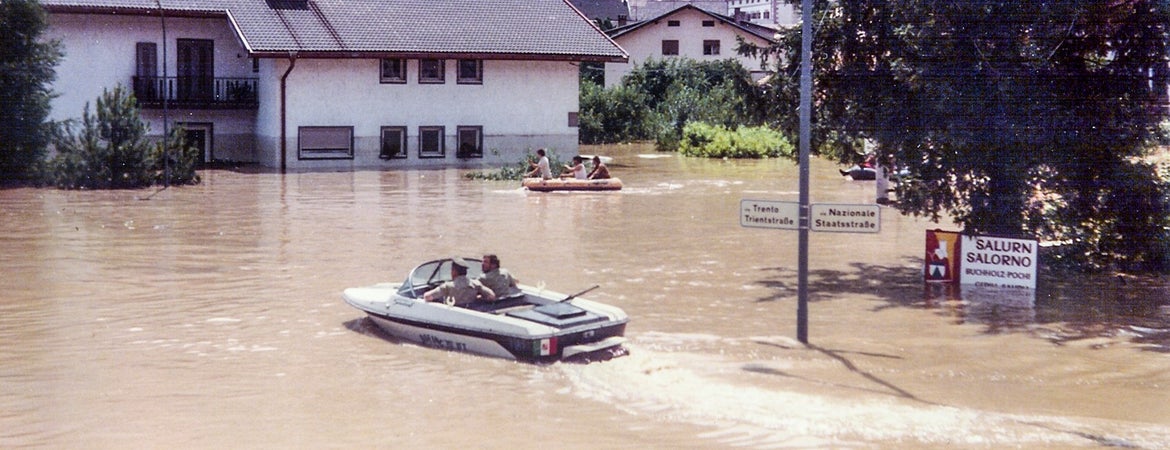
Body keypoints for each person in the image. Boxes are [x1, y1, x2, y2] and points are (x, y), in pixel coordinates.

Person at [423, 257, 496, 306]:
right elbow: (492, 296)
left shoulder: (448, 286)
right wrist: (476, 298)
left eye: (452, 270)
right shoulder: (476, 284)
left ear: (454, 271)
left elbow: (427, 297)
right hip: (470, 312)